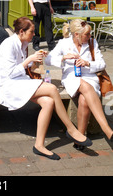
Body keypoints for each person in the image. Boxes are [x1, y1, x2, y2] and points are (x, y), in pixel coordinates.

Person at [0, 16, 92, 161]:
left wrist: (35, 60)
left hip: (19, 81)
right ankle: (71, 129)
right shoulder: (8, 44)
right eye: (32, 31)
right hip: (9, 85)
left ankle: (39, 145)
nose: (34, 35)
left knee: (48, 102)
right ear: (22, 31)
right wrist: (29, 60)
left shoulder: (21, 43)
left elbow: (23, 68)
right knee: (52, 89)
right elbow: (9, 73)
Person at [45, 19, 113, 148]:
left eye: (90, 34)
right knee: (85, 87)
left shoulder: (93, 42)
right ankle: (107, 130)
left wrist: (88, 63)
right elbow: (48, 59)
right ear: (77, 34)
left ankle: (79, 139)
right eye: (86, 34)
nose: (89, 37)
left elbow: (102, 64)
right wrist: (63, 58)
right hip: (71, 76)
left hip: (90, 76)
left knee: (84, 100)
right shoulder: (64, 43)